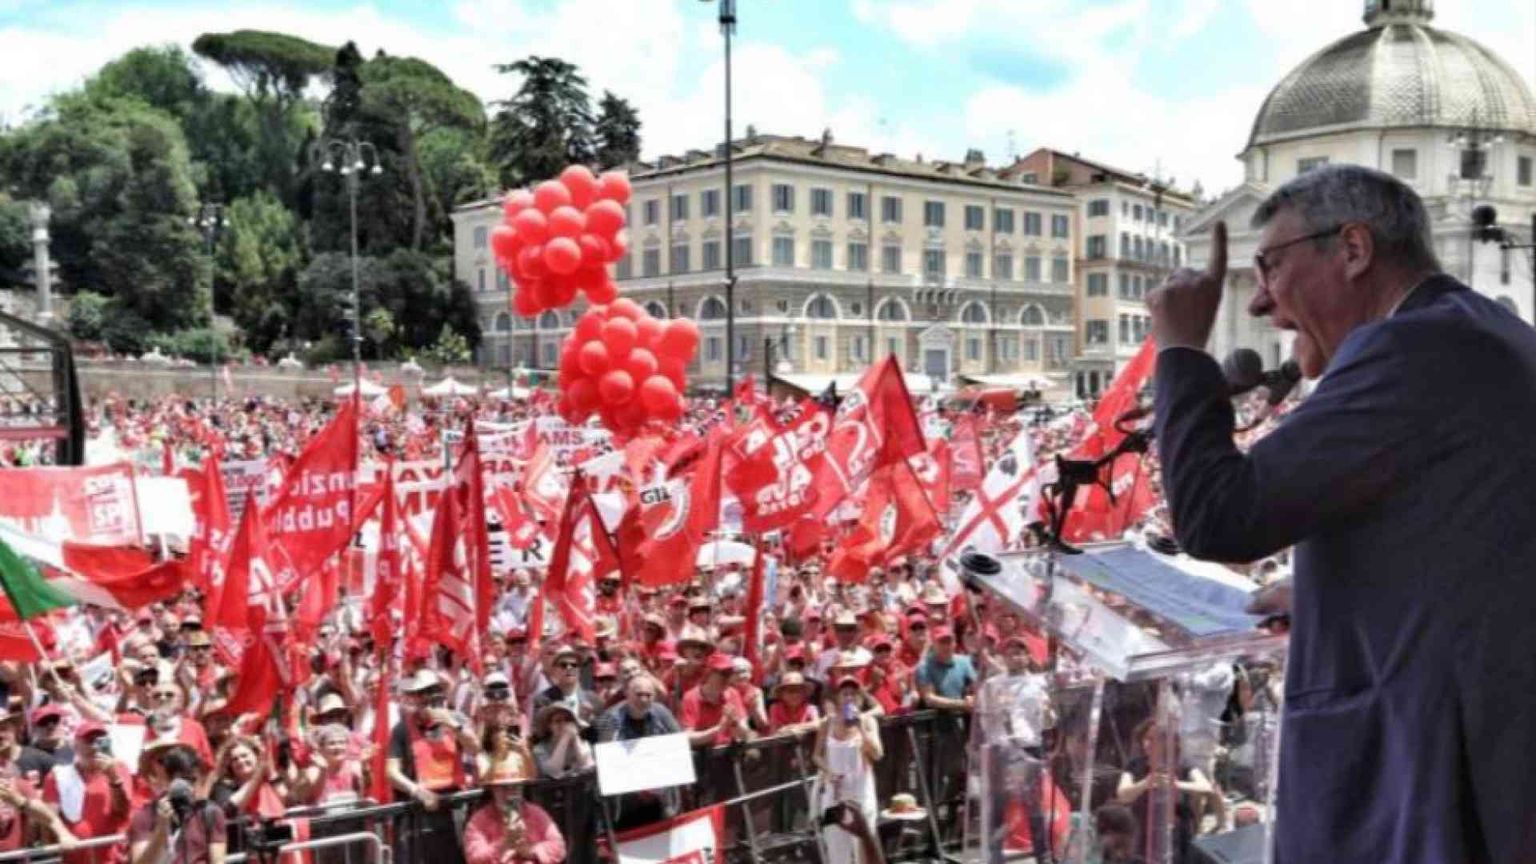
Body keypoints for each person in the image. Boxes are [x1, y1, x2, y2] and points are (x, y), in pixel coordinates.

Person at [1148, 164, 1536, 862]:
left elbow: (1219, 518)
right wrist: (1339, 589)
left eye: (1269, 267)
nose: (1261, 303)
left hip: (1439, 771)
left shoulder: (1412, 346)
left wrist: (1179, 349)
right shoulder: (1483, 331)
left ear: (1353, 250)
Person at [812, 676, 884, 864]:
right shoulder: (827, 724)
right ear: (837, 698)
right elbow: (816, 755)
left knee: (864, 851)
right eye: (845, 694)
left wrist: (861, 728)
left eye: (853, 694)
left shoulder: (868, 723)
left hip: (861, 795)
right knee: (837, 854)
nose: (849, 698)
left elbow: (877, 754)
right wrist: (828, 772)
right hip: (834, 796)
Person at [597, 676, 683, 830]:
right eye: (639, 694)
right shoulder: (610, 719)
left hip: (661, 795)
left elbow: (678, 744)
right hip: (625, 800)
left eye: (648, 695)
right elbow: (605, 758)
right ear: (627, 693)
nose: (643, 699)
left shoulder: (662, 714)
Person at [42, 723, 132, 864]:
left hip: (110, 857)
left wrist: (113, 778)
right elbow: (49, 820)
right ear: (75, 745)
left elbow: (122, 811)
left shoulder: (119, 768)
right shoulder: (58, 775)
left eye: (101, 741)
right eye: (90, 741)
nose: (95, 747)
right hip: (74, 858)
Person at [127, 746, 225, 864]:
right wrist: (161, 829)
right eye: (183, 780)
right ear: (168, 779)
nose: (189, 787)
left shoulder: (210, 812)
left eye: (192, 780)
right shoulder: (145, 815)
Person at [461, 761, 566, 864]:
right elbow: (474, 859)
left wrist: (529, 851)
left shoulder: (536, 813)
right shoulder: (478, 821)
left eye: (515, 787)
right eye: (504, 788)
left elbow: (559, 847)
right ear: (493, 789)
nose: (510, 794)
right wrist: (505, 843)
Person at [529, 704, 593, 779]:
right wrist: (565, 738)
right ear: (549, 726)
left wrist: (575, 738)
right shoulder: (540, 749)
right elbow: (553, 772)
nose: (564, 724)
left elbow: (587, 765)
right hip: (551, 789)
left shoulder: (583, 744)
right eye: (558, 721)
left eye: (568, 720)